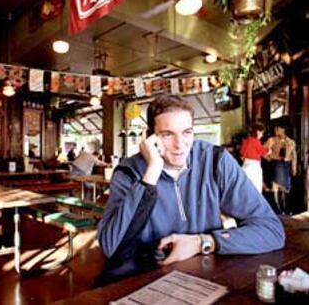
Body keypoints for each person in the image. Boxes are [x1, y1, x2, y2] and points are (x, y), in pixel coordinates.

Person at [96, 95, 285, 286]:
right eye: (167, 134)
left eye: (187, 132)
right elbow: (111, 247)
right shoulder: (128, 172)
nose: (180, 145)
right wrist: (152, 171)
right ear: (149, 137)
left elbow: (272, 231)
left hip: (204, 276)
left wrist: (203, 242)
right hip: (145, 280)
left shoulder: (214, 161)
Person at [265, 124, 297, 214]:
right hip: (276, 164)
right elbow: (263, 151)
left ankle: (286, 208)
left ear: (283, 129)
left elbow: (294, 156)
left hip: (286, 164)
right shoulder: (271, 140)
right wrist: (270, 157)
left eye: (278, 128)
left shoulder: (291, 142)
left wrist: (294, 167)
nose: (276, 130)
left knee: (286, 187)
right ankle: (277, 208)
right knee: (275, 186)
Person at [240, 124, 270, 192]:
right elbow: (262, 151)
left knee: (245, 186)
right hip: (254, 165)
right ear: (258, 132)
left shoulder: (246, 140)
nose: (262, 135)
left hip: (245, 164)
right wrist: (269, 151)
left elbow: (242, 153)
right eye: (262, 133)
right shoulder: (256, 141)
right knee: (256, 186)